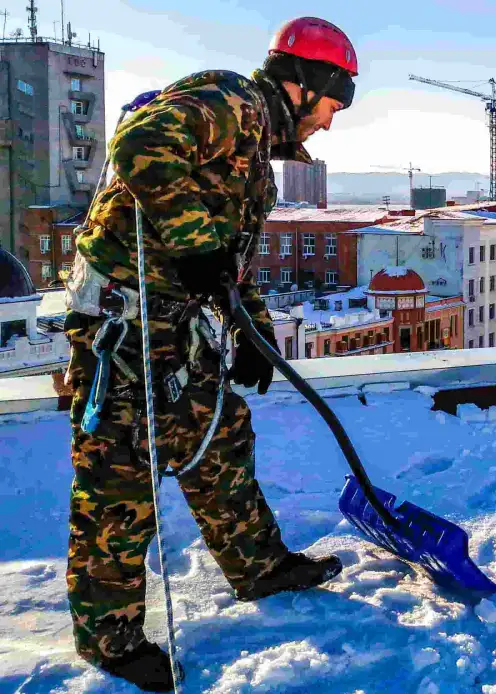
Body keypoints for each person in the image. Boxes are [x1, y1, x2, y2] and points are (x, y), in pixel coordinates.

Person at [62, 17, 358, 691]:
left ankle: (260, 567)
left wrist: (251, 327)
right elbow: (141, 143)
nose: (329, 125)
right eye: (331, 106)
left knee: (220, 441)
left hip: (178, 327)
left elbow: (223, 265)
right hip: (124, 330)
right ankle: (108, 639)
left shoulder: (253, 154)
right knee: (120, 483)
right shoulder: (233, 102)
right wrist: (196, 248)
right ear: (305, 83)